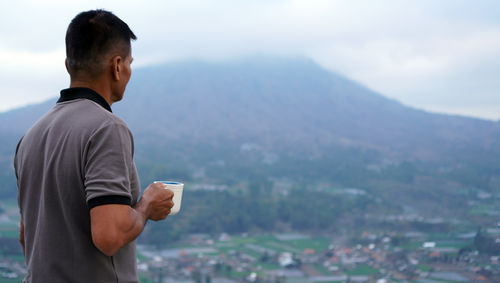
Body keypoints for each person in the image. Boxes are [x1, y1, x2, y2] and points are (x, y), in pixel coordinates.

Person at [14, 9, 174, 283]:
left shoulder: (30, 137)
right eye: (130, 63)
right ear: (117, 66)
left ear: (68, 65)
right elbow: (109, 235)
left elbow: (26, 235)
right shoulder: (106, 128)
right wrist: (146, 205)